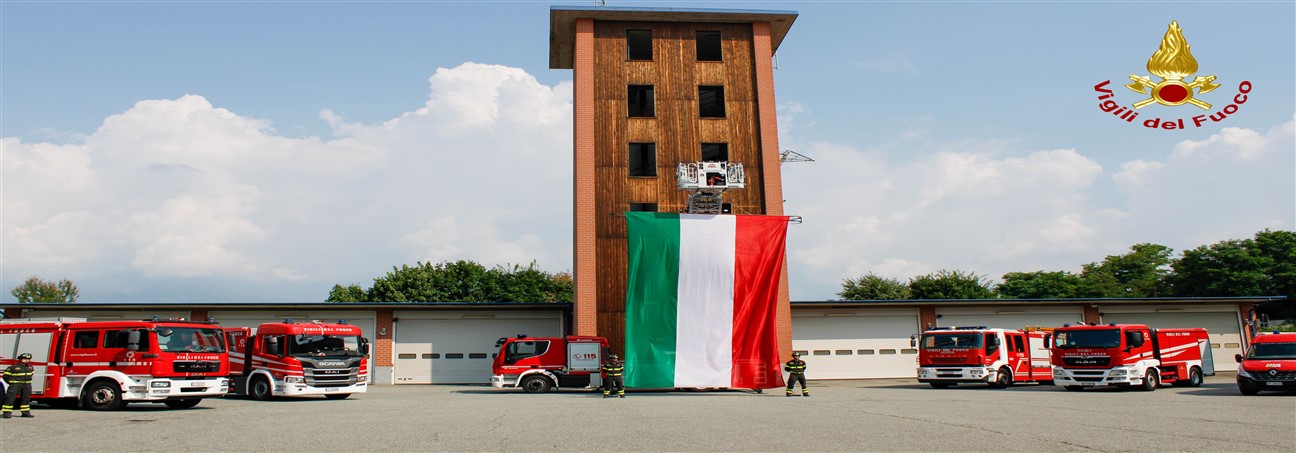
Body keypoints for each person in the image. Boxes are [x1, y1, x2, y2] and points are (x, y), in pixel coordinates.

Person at [3, 353, 36, 419]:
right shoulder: (13, 367)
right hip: (15, 385)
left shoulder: (30, 367)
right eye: (24, 359)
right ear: (20, 359)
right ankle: (7, 413)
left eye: (28, 359)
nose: (26, 360)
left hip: (27, 385)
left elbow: (31, 374)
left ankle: (25, 413)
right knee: (10, 398)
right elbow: (5, 376)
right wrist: (11, 383)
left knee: (26, 399)